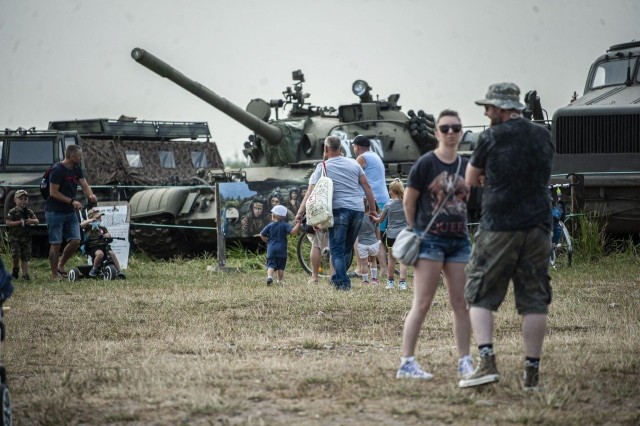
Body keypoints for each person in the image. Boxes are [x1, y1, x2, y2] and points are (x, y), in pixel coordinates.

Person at [459, 83, 554, 391]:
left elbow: (471, 179)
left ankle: (487, 362)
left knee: (479, 292)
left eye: (487, 108)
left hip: (499, 224)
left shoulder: (491, 136)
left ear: (500, 109)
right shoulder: (542, 135)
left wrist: (490, 176)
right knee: (534, 299)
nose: (485, 113)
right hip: (539, 223)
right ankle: (531, 372)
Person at [396, 109, 473, 381]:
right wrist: (416, 230)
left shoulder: (467, 165)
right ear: (437, 132)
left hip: (459, 242)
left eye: (455, 127)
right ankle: (406, 362)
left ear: (460, 131)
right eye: (445, 128)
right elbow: (409, 200)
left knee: (461, 303)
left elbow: (474, 198)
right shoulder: (426, 164)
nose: (450, 132)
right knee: (423, 302)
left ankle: (465, 361)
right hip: (430, 242)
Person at [296, 135, 377, 290]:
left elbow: (310, 192)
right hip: (358, 210)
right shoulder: (354, 164)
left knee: (337, 249)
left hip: (339, 210)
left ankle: (342, 283)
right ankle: (336, 277)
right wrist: (372, 209)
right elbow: (366, 186)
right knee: (345, 248)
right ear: (341, 149)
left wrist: (300, 213)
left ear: (326, 149)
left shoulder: (322, 167)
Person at [45, 144, 98, 280]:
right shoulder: (57, 170)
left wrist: (90, 196)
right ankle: (53, 275)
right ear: (71, 156)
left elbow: (84, 184)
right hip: (54, 212)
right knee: (55, 244)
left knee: (76, 240)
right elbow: (53, 192)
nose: (81, 158)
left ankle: (61, 265)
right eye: (79, 156)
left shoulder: (76, 169)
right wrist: (72, 201)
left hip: (69, 213)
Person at [352, 135, 389, 274]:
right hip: (382, 199)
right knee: (376, 237)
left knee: (358, 234)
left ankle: (360, 268)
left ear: (357, 146)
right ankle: (384, 270)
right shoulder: (375, 156)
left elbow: (352, 175)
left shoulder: (362, 158)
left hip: (369, 201)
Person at [373, 179, 408, 290]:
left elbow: (380, 220)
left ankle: (390, 282)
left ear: (392, 191)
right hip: (403, 234)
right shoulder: (405, 203)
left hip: (391, 235)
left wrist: (374, 218)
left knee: (392, 258)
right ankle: (402, 283)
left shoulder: (388, 204)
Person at [259, 205, 300, 285]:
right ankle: (279, 281)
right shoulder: (285, 225)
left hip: (271, 249)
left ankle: (270, 277)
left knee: (271, 265)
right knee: (281, 267)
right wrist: (298, 224)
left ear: (273, 216)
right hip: (282, 250)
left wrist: (267, 241)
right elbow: (293, 232)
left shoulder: (270, 225)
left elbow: (261, 234)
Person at [80, 208, 126, 278]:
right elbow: (81, 225)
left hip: (103, 245)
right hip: (93, 247)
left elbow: (108, 234)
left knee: (112, 253)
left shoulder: (102, 228)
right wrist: (90, 220)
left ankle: (119, 270)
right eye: (97, 217)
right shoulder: (88, 227)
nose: (99, 218)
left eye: (100, 217)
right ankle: (94, 269)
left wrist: (107, 235)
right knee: (100, 254)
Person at [5, 190, 39, 280]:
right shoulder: (12, 211)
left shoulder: (28, 211)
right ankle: (15, 269)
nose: (23, 201)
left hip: (26, 238)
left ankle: (25, 275)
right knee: (15, 255)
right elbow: (8, 223)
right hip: (15, 238)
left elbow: (37, 221)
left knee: (25, 257)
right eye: (20, 199)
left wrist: (31, 221)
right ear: (15, 200)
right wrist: (19, 222)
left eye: (25, 199)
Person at [356, 198, 382, 285]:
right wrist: (378, 240)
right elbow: (377, 230)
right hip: (373, 243)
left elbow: (356, 230)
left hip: (362, 243)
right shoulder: (375, 217)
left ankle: (365, 281)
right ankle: (374, 279)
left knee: (364, 263)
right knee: (373, 261)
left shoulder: (359, 217)